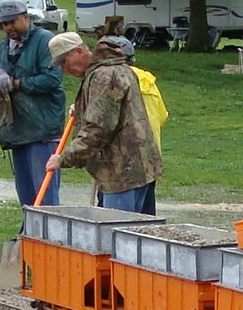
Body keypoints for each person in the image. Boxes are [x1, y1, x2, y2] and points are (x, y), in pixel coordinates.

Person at [44, 31, 161, 211]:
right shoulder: (116, 67)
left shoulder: (103, 76)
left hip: (122, 172)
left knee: (118, 235)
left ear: (79, 52)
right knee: (138, 234)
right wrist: (83, 107)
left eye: (64, 62)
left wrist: (64, 158)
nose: (64, 69)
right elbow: (116, 110)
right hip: (140, 167)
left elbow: (98, 128)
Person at [0, 0, 65, 206]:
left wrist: (16, 83)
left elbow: (53, 79)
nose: (8, 27)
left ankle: (50, 237)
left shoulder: (44, 41)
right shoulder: (3, 49)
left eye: (12, 22)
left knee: (45, 198)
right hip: (16, 132)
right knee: (26, 198)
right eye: (4, 24)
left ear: (26, 17)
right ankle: (29, 236)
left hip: (42, 132)